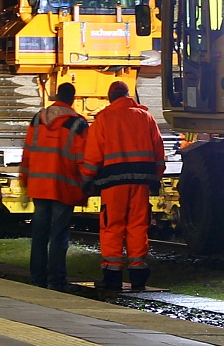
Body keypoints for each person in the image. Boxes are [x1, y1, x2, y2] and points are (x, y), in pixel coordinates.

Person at [80, 80, 166, 291]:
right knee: (138, 224)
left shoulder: (104, 118)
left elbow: (92, 155)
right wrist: (155, 175)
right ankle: (138, 272)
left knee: (113, 225)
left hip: (113, 183)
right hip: (141, 182)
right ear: (129, 96)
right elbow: (158, 150)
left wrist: (86, 177)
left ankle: (112, 273)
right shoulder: (146, 117)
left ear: (111, 98)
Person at [18, 82, 88, 291]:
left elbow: (28, 152)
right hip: (63, 187)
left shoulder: (38, 119)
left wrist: (23, 181)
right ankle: (56, 280)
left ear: (56, 96)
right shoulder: (78, 124)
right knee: (59, 235)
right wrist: (86, 185)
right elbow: (82, 160)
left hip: (39, 185)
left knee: (39, 233)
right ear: (73, 99)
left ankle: (37, 278)